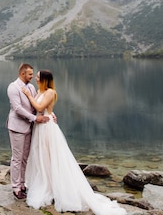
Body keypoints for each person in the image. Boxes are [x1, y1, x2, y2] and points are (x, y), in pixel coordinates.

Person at [21, 70, 126, 215]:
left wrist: (28, 96)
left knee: (52, 155)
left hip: (47, 128)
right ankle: (46, 183)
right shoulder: (39, 91)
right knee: (41, 156)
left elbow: (40, 108)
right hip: (40, 126)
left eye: (38, 77)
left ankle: (56, 186)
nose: (36, 79)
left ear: (45, 79)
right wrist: (48, 111)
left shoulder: (50, 92)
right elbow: (38, 109)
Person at [6, 63, 51, 200]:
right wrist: (35, 119)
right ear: (22, 74)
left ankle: (22, 184)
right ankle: (15, 188)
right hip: (17, 127)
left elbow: (37, 104)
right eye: (30, 74)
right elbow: (17, 109)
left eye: (33, 74)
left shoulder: (31, 87)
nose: (32, 77)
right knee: (17, 158)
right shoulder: (13, 87)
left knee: (25, 158)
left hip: (29, 127)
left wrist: (50, 113)